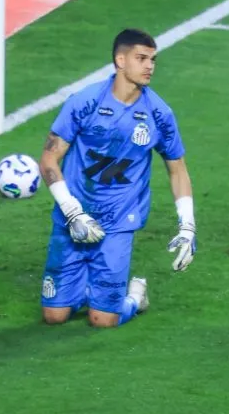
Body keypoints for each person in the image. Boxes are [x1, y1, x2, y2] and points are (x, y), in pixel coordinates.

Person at [38, 28, 196, 328]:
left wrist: (187, 225)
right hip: (74, 217)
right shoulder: (84, 102)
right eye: (141, 58)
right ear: (120, 60)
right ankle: (89, 288)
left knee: (102, 320)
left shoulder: (159, 114)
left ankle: (134, 296)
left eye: (153, 59)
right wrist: (73, 213)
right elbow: (48, 159)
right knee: (54, 317)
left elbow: (177, 169)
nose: (150, 66)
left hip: (118, 221)